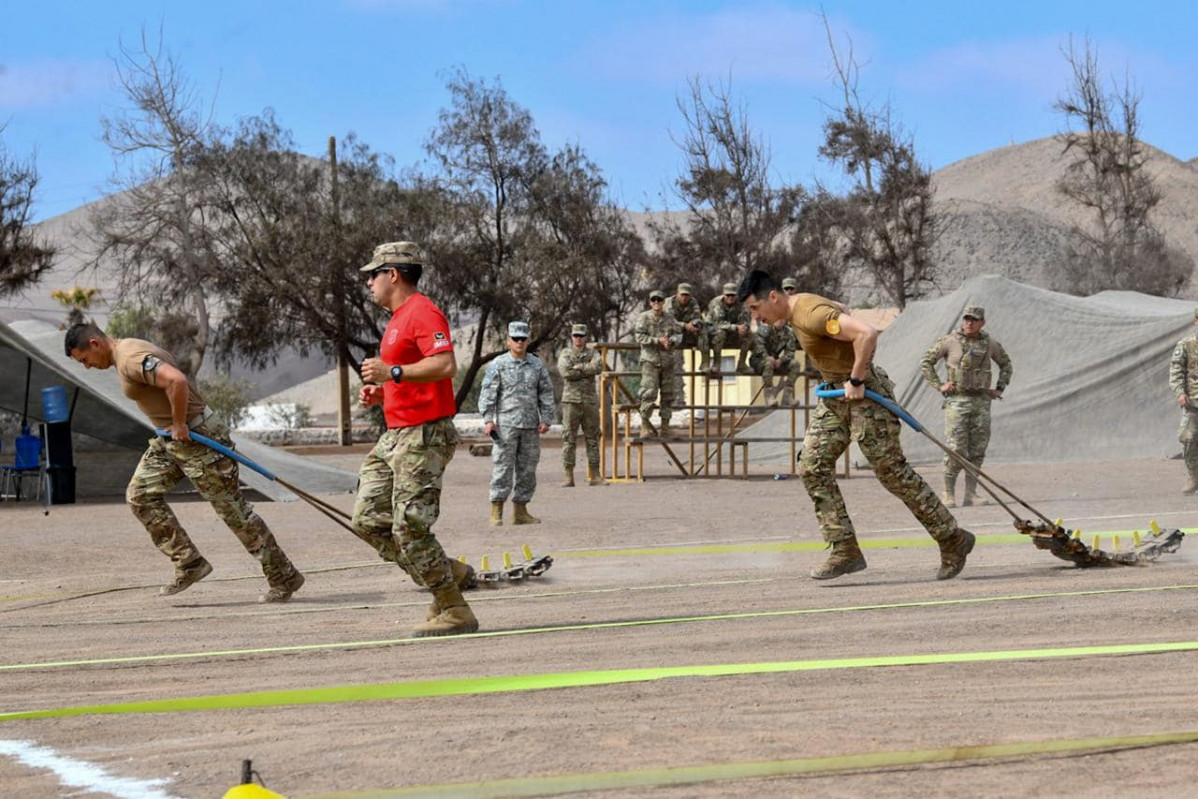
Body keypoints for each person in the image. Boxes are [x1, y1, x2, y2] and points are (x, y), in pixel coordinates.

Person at [737, 269, 975, 581]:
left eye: (756, 309)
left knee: (891, 471)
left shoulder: (808, 313)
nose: (757, 318)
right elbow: (841, 310)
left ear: (772, 297)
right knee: (812, 465)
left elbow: (866, 333)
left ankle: (952, 538)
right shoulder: (802, 309)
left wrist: (857, 378)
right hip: (836, 397)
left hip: (864, 394)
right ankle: (844, 549)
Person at [64, 322, 304, 602]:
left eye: (85, 360)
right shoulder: (126, 352)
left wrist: (179, 422)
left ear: (94, 344)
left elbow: (176, 380)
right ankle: (189, 563)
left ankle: (283, 576)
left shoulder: (130, 358)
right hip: (171, 441)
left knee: (234, 513)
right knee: (140, 495)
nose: (87, 367)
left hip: (196, 436)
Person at [354, 240, 478, 637]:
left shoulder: (423, 312)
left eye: (373, 275)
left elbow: (445, 365)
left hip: (424, 434)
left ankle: (455, 609)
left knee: (409, 526)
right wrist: (383, 391)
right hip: (397, 434)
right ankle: (450, 573)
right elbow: (410, 373)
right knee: (369, 519)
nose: (369, 283)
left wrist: (391, 373)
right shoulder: (397, 320)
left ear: (393, 274)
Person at [919, 305, 1013, 507]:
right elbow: (926, 362)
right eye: (967, 319)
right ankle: (948, 493)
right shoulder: (949, 341)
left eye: (974, 319)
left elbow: (1006, 364)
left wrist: (1000, 387)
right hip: (958, 402)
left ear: (982, 322)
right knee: (956, 448)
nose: (969, 323)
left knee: (977, 450)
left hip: (981, 402)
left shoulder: (990, 343)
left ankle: (971, 493)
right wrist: (939, 385)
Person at [480, 320, 555, 525]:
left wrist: (546, 418)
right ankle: (496, 511)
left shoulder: (536, 365)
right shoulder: (498, 364)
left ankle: (521, 511)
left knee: (528, 469)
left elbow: (546, 392)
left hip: (530, 425)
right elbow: (488, 393)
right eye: (516, 338)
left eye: (523, 338)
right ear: (508, 341)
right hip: (506, 426)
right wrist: (488, 419)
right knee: (502, 467)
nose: (520, 342)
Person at [556, 323, 605, 487]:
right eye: (575, 335)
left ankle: (595, 475)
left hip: (589, 402)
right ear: (571, 337)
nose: (578, 339)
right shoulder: (565, 353)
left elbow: (598, 366)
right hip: (571, 401)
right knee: (569, 439)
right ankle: (568, 476)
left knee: (593, 439)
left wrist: (579, 367)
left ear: (586, 337)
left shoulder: (593, 353)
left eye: (581, 336)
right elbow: (566, 372)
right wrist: (587, 369)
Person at [632, 289, 682, 437]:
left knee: (668, 394)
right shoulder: (644, 318)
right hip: (650, 361)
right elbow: (639, 336)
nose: (656, 303)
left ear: (663, 302)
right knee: (649, 393)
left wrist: (672, 341)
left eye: (659, 300)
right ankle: (645, 426)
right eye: (653, 300)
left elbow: (679, 334)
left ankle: (665, 427)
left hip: (667, 362)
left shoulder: (670, 318)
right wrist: (656, 341)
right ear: (650, 302)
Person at [1168, 308, 1198, 494]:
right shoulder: (1186, 345)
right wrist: (1180, 392)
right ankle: (1194, 476)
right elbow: (1176, 370)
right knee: (1188, 438)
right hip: (1193, 403)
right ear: (1196, 321)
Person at [663, 282, 705, 403]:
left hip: (685, 334)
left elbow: (697, 317)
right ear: (677, 294)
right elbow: (670, 322)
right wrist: (685, 325)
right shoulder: (669, 303)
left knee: (704, 332)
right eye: (682, 295)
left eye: (687, 295)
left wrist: (695, 325)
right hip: (670, 333)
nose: (685, 297)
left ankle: (705, 363)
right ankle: (673, 397)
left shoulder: (693, 302)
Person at [750, 319, 803, 406]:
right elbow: (758, 345)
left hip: (776, 360)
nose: (780, 321)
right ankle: (769, 396)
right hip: (758, 360)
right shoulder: (765, 329)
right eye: (777, 318)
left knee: (795, 364)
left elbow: (790, 352)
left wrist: (781, 360)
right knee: (768, 363)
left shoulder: (788, 332)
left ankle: (788, 395)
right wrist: (766, 356)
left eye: (782, 318)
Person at [705, 282, 753, 375]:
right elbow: (717, 323)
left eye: (733, 295)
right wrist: (735, 327)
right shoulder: (716, 303)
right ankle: (716, 363)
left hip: (732, 333)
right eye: (728, 295)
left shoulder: (742, 304)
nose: (730, 297)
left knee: (749, 334)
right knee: (720, 333)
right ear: (724, 295)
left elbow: (746, 320)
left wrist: (744, 328)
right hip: (713, 332)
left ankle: (741, 364)